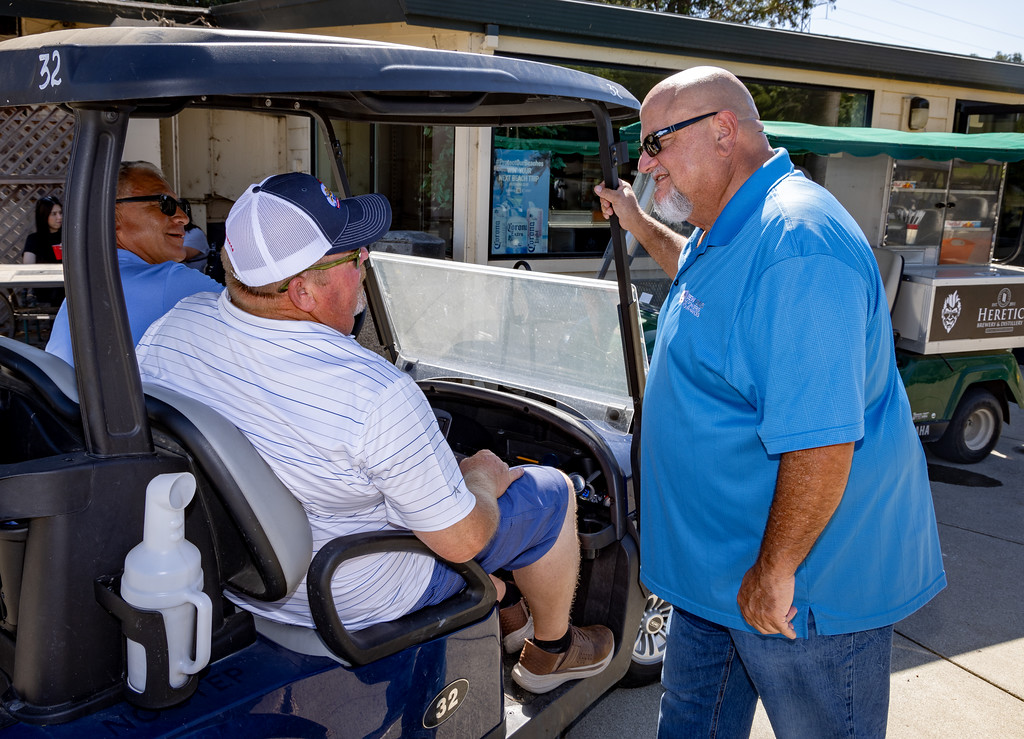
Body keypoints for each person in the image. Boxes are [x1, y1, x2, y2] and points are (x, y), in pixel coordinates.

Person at [135, 172, 614, 694]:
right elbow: (464, 540)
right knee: (550, 493)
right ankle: (551, 651)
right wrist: (479, 479)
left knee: (479, 557)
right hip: (353, 595)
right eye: (352, 256)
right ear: (302, 290)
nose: (365, 260)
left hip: (240, 576)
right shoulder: (373, 393)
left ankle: (508, 616)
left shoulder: (173, 331)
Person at [595, 67, 946, 737]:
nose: (645, 163)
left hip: (793, 595)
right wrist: (637, 219)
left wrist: (774, 569)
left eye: (656, 142)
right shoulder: (729, 226)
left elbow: (822, 441)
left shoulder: (797, 244)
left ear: (723, 131)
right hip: (719, 576)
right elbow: (702, 280)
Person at [45, 161, 221, 367]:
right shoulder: (169, 280)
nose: (183, 217)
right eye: (165, 203)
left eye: (181, 206)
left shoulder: (94, 278)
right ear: (111, 216)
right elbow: (260, 326)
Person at [22, 194, 65, 306]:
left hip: (67, 286)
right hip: (45, 288)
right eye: (54, 214)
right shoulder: (34, 239)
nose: (59, 217)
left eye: (60, 213)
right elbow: (27, 267)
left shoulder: (67, 237)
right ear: (44, 216)